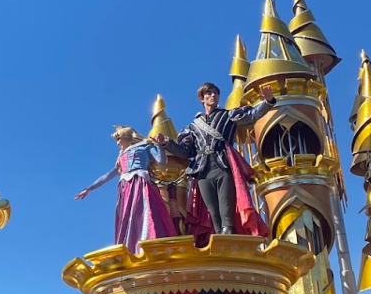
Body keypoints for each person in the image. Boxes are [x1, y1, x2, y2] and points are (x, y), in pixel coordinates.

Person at [157, 82, 274, 242]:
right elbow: (186, 151)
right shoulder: (193, 127)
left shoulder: (228, 116)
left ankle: (229, 241)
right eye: (209, 93)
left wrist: (267, 102)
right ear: (202, 99)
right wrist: (167, 143)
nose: (213, 96)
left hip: (223, 166)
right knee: (212, 213)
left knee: (226, 211)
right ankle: (220, 244)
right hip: (203, 171)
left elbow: (251, 115)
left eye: (215, 93)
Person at [75, 127, 176, 253]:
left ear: (126, 137)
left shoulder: (145, 147)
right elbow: (108, 175)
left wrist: (158, 145)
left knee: (144, 210)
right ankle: (132, 245)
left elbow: (162, 161)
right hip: (126, 187)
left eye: (119, 139)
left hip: (140, 182)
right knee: (129, 216)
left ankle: (149, 239)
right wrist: (89, 189)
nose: (117, 143)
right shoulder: (121, 156)